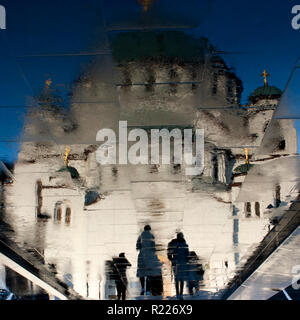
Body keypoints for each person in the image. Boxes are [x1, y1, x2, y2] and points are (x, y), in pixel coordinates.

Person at [136, 225, 162, 296]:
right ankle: (147, 289)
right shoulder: (151, 236)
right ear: (149, 229)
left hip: (142, 255)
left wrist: (141, 248)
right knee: (149, 273)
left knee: (141, 272)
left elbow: (137, 246)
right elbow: (153, 247)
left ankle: (142, 288)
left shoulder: (140, 236)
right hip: (149, 256)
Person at [167, 232, 189, 299]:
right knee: (182, 278)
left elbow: (169, 253)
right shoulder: (184, 244)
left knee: (176, 277)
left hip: (176, 263)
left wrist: (171, 258)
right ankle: (180, 293)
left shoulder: (173, 243)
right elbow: (187, 254)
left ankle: (178, 293)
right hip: (182, 263)